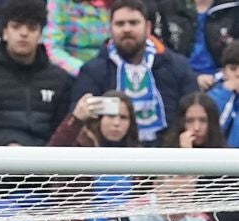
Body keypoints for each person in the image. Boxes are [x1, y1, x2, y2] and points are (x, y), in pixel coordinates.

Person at [69, 0, 197, 145]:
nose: (127, 29)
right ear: (110, 29)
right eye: (120, 24)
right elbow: (83, 123)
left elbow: (192, 114)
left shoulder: (177, 66)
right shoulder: (92, 71)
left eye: (134, 22)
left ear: (148, 28)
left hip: (168, 155)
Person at [0, 0, 73, 147]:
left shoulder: (61, 79)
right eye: (16, 27)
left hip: (46, 161)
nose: (24, 33)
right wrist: (7, 145)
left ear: (41, 35)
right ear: (4, 32)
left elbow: (61, 131)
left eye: (32, 28)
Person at [47, 89, 141, 146]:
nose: (116, 123)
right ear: (99, 119)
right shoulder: (81, 148)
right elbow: (50, 161)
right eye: (110, 116)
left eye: (123, 117)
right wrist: (76, 119)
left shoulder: (141, 157)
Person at [45, 0, 113, 77]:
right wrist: (84, 70)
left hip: (109, 73)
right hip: (72, 74)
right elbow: (51, 49)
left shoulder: (110, 4)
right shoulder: (58, 3)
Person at [161, 91, 226, 147]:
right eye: (190, 121)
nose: (196, 128)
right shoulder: (167, 153)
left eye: (203, 120)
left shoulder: (225, 154)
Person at [205, 42, 239, 147]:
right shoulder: (211, 96)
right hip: (219, 158)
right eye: (233, 69)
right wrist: (226, 91)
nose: (238, 74)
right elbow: (210, 128)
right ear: (223, 72)